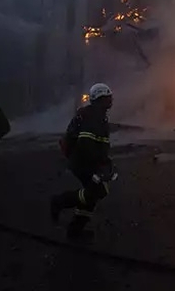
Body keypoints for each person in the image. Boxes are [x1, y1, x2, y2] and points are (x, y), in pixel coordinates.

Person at [50, 83, 115, 242]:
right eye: (108, 97)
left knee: (95, 193)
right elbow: (86, 144)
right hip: (82, 161)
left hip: (83, 160)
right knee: (97, 191)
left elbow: (97, 145)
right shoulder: (93, 116)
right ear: (101, 98)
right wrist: (100, 165)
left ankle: (75, 231)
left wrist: (106, 163)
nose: (111, 99)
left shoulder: (96, 115)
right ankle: (59, 201)